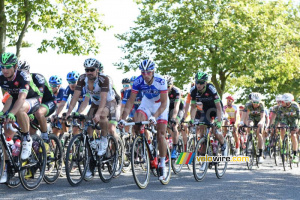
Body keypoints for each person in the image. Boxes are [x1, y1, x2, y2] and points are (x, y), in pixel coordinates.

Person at [65, 58, 116, 179]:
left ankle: (104, 140)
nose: (89, 72)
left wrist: (98, 114)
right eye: (87, 70)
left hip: (109, 103)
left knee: (102, 115)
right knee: (87, 127)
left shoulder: (104, 79)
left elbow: (103, 99)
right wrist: (70, 112)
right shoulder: (82, 79)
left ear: (97, 70)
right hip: (95, 103)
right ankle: (91, 162)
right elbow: (77, 97)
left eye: (92, 70)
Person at [118, 59, 169, 181]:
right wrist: (123, 119)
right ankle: (147, 144)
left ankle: (162, 164)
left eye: (148, 72)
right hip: (146, 103)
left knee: (161, 133)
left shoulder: (161, 81)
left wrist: (154, 117)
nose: (145, 75)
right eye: (143, 72)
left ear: (153, 71)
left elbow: (164, 103)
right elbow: (130, 101)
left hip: (160, 106)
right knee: (137, 121)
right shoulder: (138, 81)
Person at [0, 53, 41, 183]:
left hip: (32, 99)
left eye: (8, 67)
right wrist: (3, 113)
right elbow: (9, 97)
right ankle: (8, 169)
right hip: (15, 99)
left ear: (15, 66)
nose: (4, 70)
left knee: (19, 109)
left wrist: (12, 112)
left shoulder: (23, 75)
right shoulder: (1, 76)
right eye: (2, 67)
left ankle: (26, 138)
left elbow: (22, 98)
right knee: (6, 135)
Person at [189, 71, 226, 171]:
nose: (198, 85)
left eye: (201, 82)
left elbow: (219, 107)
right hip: (206, 110)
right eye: (197, 82)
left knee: (215, 130)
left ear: (205, 83)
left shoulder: (211, 89)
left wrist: (218, 121)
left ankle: (223, 144)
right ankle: (205, 159)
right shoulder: (193, 90)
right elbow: (193, 107)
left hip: (216, 109)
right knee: (202, 129)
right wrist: (192, 120)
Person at [240, 92, 265, 163]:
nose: (256, 104)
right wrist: (241, 122)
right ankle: (250, 139)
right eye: (254, 102)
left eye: (257, 102)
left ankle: (260, 154)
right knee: (249, 124)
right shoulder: (248, 104)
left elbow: (263, 117)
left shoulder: (261, 105)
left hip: (259, 119)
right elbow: (244, 114)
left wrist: (261, 122)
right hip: (252, 118)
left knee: (259, 134)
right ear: (252, 101)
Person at [165, 75, 184, 159]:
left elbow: (176, 107)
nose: (166, 88)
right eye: (164, 86)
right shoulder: (162, 91)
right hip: (168, 109)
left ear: (172, 85)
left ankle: (175, 148)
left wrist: (173, 118)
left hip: (178, 109)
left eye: (168, 86)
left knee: (174, 125)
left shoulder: (176, 91)